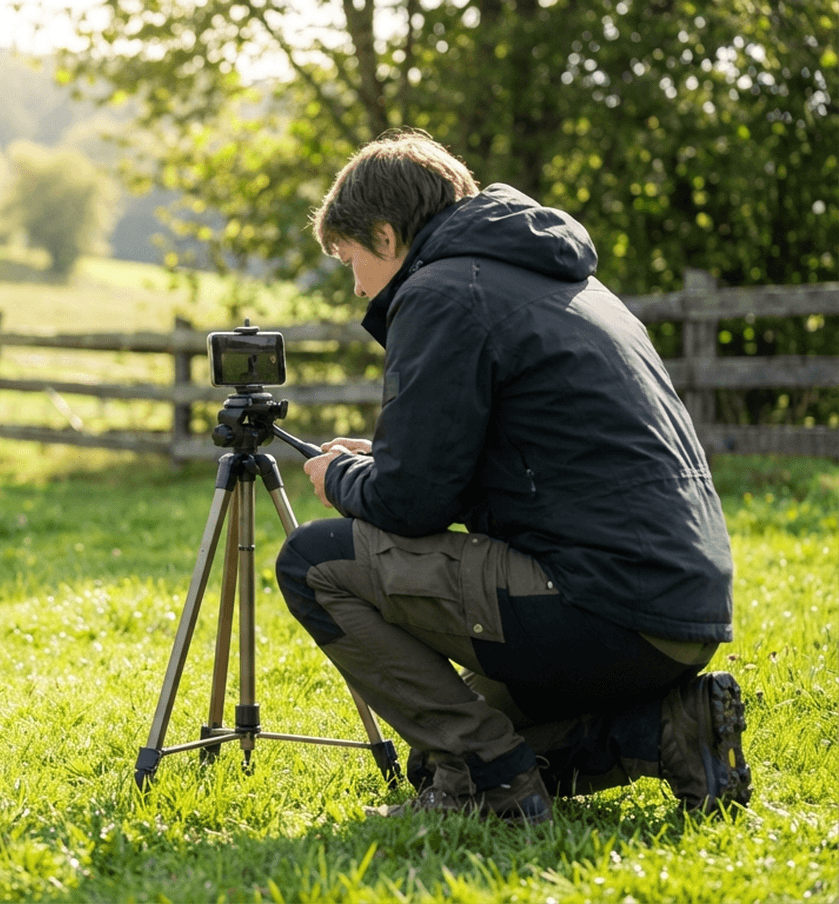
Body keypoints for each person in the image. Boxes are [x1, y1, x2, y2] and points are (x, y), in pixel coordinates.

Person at [274, 129, 751, 825]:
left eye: (352, 260)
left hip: (599, 603)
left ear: (385, 235)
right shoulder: (562, 279)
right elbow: (520, 458)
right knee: (431, 757)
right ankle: (671, 730)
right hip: (677, 614)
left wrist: (340, 475)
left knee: (313, 563)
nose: (356, 286)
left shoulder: (440, 290)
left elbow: (411, 504)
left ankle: (494, 784)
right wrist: (380, 463)